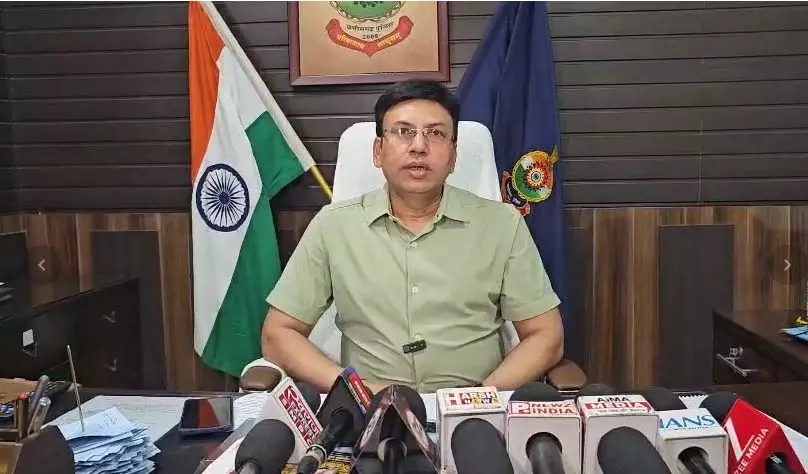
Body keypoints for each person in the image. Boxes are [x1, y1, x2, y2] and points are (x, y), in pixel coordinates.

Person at [262, 80, 564, 394]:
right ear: (378, 151)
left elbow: (547, 336)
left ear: (453, 156)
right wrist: (356, 391)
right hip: (370, 411)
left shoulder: (502, 224)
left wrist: (481, 394)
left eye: (435, 133)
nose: (419, 146)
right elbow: (278, 334)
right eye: (403, 131)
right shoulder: (333, 226)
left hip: (474, 411)